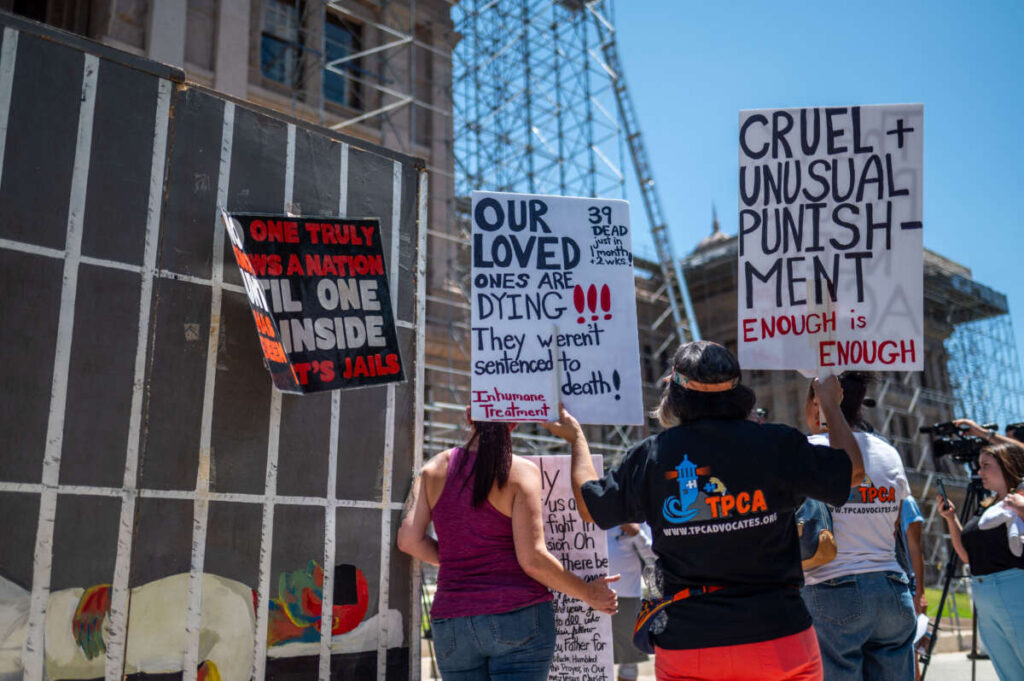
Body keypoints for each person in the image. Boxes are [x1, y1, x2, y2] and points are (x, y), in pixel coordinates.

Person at [544, 340, 864, 681]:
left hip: (690, 644)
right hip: (778, 636)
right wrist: (830, 404)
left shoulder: (653, 456)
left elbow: (590, 506)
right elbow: (853, 472)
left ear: (674, 392)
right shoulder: (776, 443)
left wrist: (577, 439)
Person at [397, 412, 619, 680]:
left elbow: (408, 540)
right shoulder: (521, 472)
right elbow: (532, 559)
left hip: (451, 620)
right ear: (514, 422)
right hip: (518, 615)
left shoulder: (433, 469)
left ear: (469, 416)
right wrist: (588, 593)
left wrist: (461, 559)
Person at [799, 371, 916, 681]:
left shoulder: (809, 449)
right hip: (891, 585)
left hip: (832, 588)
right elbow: (895, 525)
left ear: (817, 403)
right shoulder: (888, 452)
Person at [937, 441, 1024, 681]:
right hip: (984, 593)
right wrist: (951, 519)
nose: (979, 472)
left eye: (986, 465)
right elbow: (968, 556)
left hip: (1015, 589)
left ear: (1007, 465)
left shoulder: (1020, 498)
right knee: (1008, 672)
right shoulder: (987, 507)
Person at [607, 523, 656, 681]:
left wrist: (637, 534)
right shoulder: (588, 510)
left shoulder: (637, 518)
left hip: (628, 595)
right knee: (592, 655)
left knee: (629, 659)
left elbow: (654, 557)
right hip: (588, 592)